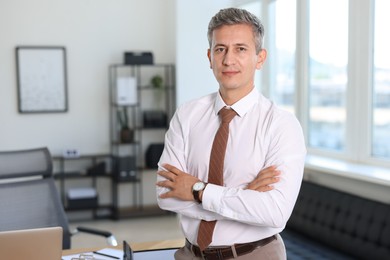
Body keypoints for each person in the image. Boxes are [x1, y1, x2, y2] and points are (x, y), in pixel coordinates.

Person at [156, 7, 306, 260]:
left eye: (241, 49)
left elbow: (274, 212)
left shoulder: (282, 125)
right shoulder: (187, 115)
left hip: (254, 255)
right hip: (190, 254)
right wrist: (245, 195)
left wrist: (197, 190)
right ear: (209, 56)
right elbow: (166, 196)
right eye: (220, 49)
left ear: (260, 58)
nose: (228, 60)